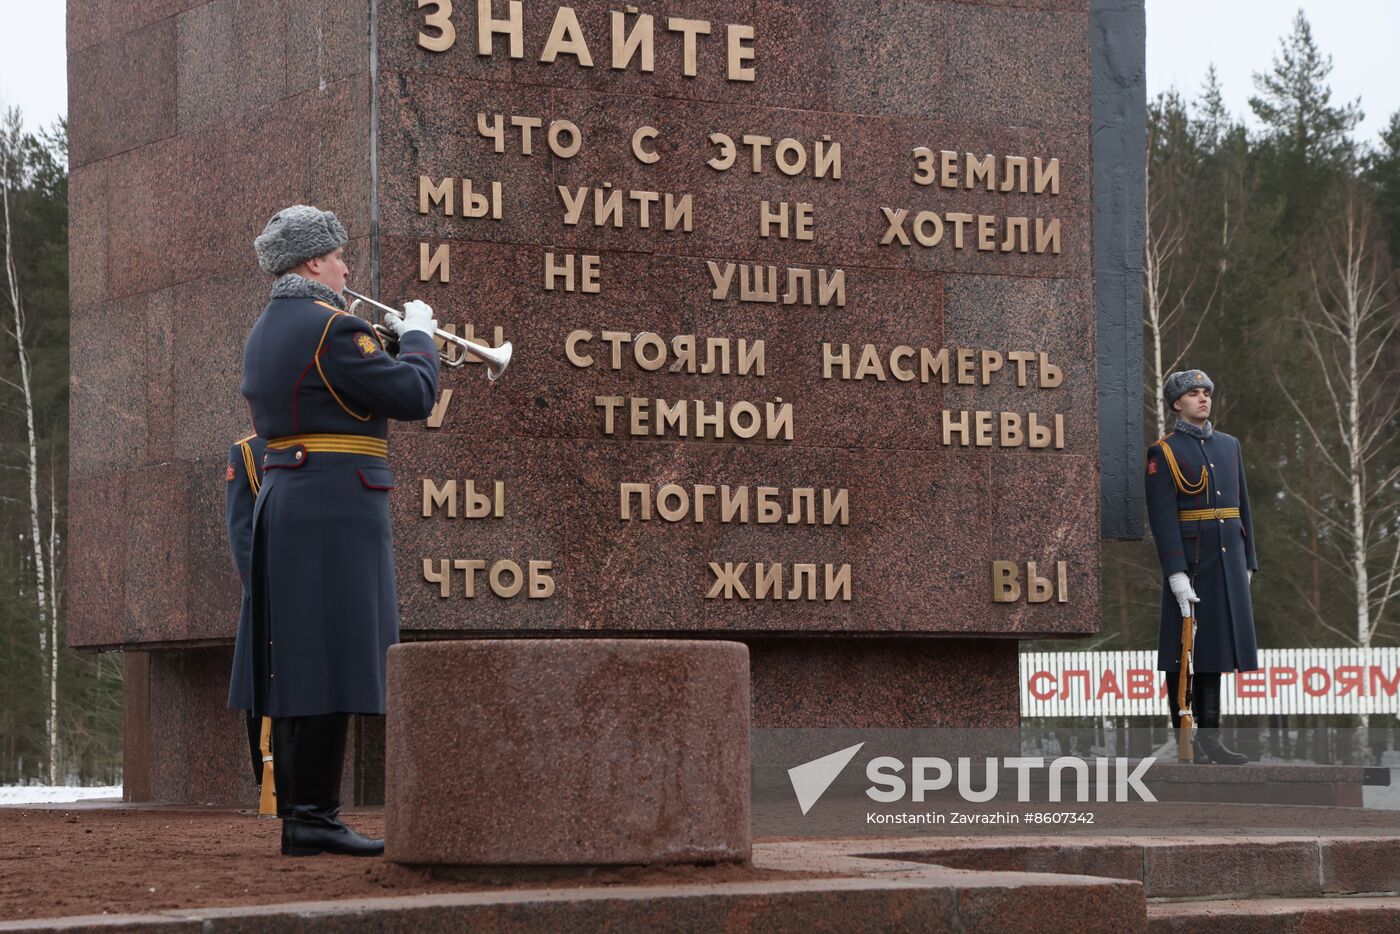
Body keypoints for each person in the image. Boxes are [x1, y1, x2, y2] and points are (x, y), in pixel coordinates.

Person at [235, 205, 441, 856]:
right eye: (338, 255)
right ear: (312, 263)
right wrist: (419, 337)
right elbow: (412, 396)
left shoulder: (268, 327)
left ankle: (305, 814)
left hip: (294, 498)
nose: (348, 267)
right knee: (330, 658)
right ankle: (315, 817)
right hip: (334, 504)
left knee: (300, 660)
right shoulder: (331, 329)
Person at [1145, 369, 1258, 765]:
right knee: (1183, 652)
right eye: (1193, 394)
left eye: (1206, 392)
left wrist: (1248, 561)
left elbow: (1242, 506)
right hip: (1192, 564)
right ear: (1177, 403)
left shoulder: (1229, 446)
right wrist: (1175, 574)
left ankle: (1211, 738)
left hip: (1228, 562)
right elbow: (1162, 518)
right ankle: (1185, 739)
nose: (1203, 399)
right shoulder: (1165, 452)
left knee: (1216, 654)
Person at [225, 432, 269, 791]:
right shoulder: (249, 452)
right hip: (268, 585)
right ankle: (266, 779)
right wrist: (259, 587)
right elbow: (241, 527)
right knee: (261, 684)